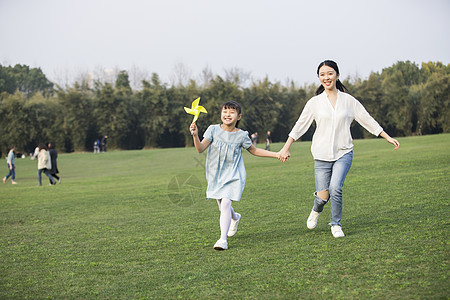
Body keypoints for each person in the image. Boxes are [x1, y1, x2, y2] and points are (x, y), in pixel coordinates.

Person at [279, 60, 400, 238]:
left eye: (330, 73)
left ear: (337, 75)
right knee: (322, 197)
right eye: (322, 74)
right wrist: (285, 148)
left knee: (335, 188)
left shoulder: (348, 100)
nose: (326, 77)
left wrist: (387, 136)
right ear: (319, 78)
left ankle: (335, 224)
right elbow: (300, 125)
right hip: (321, 155)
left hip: (344, 152)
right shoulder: (315, 103)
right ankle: (316, 209)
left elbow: (367, 119)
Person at [190, 101, 282, 250]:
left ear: (239, 116)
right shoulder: (212, 130)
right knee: (222, 207)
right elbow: (200, 149)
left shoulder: (242, 135)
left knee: (226, 203)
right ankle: (235, 217)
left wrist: (276, 154)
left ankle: (222, 240)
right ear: (221, 114)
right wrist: (195, 136)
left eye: (232, 112)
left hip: (234, 174)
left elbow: (255, 150)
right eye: (225, 111)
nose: (227, 114)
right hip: (215, 175)